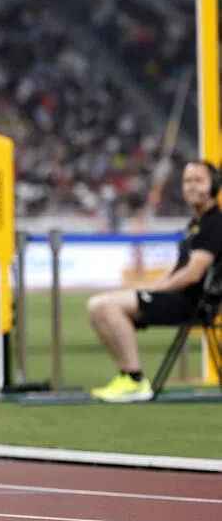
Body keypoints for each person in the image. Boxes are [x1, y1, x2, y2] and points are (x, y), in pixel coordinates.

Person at [87, 160, 222, 403]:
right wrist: (151, 287)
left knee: (104, 306)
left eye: (198, 180)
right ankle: (128, 377)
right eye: (187, 181)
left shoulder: (214, 223)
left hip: (193, 304)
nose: (191, 186)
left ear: (213, 185)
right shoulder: (195, 224)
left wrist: (155, 289)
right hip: (180, 298)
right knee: (99, 306)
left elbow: (193, 274)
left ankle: (134, 380)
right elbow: (178, 270)